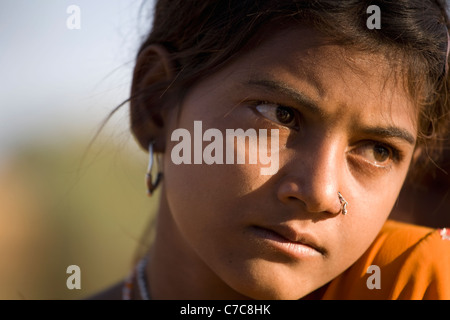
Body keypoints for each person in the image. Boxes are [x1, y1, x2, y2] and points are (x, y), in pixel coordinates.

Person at [90, 0, 450, 300]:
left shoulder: (414, 281)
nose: (320, 193)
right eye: (280, 115)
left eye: (377, 151)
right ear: (156, 104)